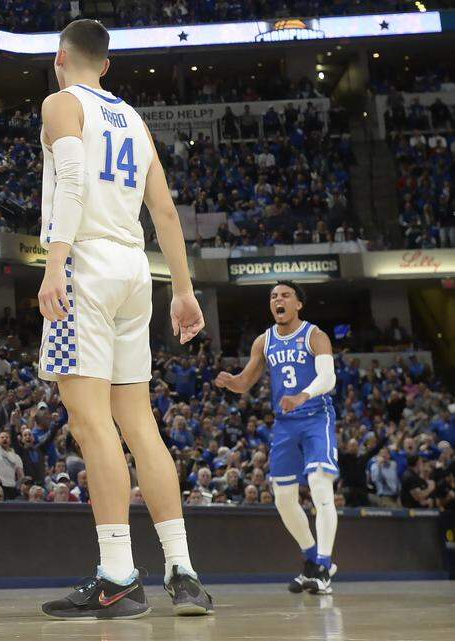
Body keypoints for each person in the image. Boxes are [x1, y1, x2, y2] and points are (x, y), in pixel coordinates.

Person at [35, 21, 212, 620]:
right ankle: (183, 570)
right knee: (138, 423)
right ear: (105, 65)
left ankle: (116, 574)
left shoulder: (60, 102)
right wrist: (183, 290)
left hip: (85, 264)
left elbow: (73, 179)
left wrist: (55, 264)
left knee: (91, 423)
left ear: (60, 58)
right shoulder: (134, 119)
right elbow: (163, 208)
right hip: (136, 270)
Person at [216, 280, 339, 595]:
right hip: (285, 423)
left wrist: (303, 395)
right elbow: (246, 383)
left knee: (319, 485)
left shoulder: (315, 335)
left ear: (299, 303)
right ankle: (311, 559)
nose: (278, 300)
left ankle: (324, 566)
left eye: (285, 295)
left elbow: (328, 377)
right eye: (273, 296)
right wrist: (231, 382)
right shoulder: (264, 341)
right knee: (283, 498)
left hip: (315, 418)